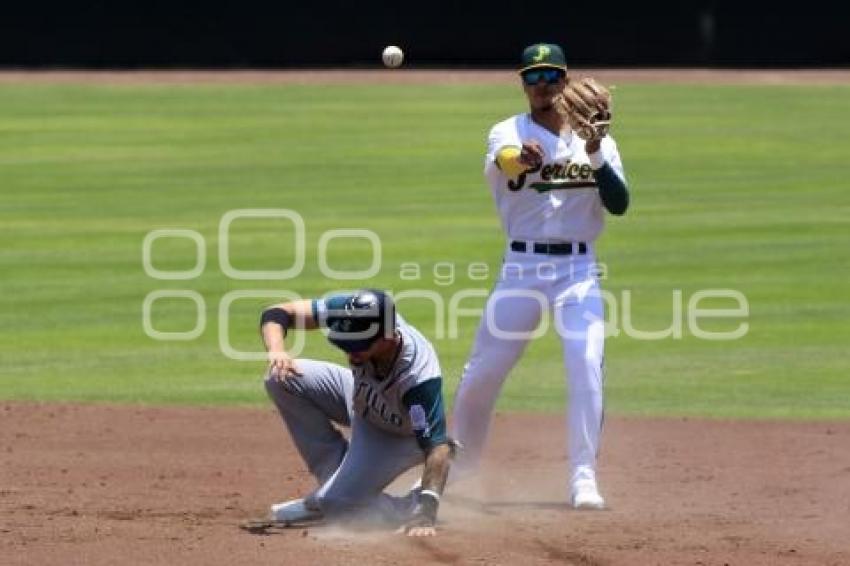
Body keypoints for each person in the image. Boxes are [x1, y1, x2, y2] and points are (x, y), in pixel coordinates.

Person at [450, 42, 629, 509]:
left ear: (566, 80)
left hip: (578, 271)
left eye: (551, 76)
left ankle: (583, 478)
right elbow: (508, 160)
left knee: (586, 364)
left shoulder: (601, 141)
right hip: (521, 270)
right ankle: (457, 469)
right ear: (522, 83)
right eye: (533, 77)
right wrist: (522, 158)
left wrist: (593, 153)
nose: (543, 85)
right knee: (480, 375)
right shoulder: (506, 132)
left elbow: (620, 203)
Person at [256, 289, 453, 536]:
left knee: (337, 506)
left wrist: (427, 511)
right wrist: (277, 350)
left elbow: (437, 446)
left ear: (388, 337)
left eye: (359, 345)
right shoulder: (357, 312)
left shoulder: (418, 378)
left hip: (395, 433)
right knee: (281, 379)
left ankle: (407, 505)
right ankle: (332, 487)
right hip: (360, 397)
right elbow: (278, 313)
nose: (351, 352)